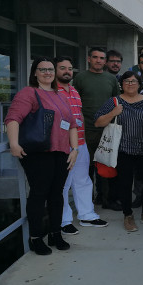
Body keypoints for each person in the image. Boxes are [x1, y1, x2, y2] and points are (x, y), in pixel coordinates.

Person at [6, 57, 79, 254]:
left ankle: (55, 233)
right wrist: (13, 143)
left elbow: (72, 124)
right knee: (39, 195)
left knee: (57, 195)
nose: (47, 73)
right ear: (35, 73)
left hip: (61, 153)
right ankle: (36, 237)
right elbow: (13, 118)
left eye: (50, 69)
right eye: (42, 69)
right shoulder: (29, 93)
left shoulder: (59, 94)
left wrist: (75, 150)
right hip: (39, 153)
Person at [95, 71, 143, 233]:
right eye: (127, 81)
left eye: (134, 81)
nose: (130, 84)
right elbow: (98, 122)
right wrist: (113, 113)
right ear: (121, 84)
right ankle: (128, 215)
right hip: (123, 150)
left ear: (139, 84)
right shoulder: (114, 102)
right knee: (125, 184)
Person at [55, 56, 107, 235]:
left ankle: (87, 215)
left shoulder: (74, 91)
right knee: (63, 184)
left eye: (69, 68)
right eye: (62, 68)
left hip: (80, 143)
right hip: (63, 145)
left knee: (83, 180)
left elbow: (80, 116)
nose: (67, 71)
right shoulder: (52, 91)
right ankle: (64, 220)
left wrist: (82, 136)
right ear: (55, 71)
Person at [72, 47, 120, 208]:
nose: (98, 60)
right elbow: (73, 102)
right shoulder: (80, 78)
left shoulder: (111, 79)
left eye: (101, 58)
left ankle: (105, 199)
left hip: (106, 130)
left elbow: (115, 101)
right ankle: (87, 201)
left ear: (105, 61)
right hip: (85, 130)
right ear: (89, 59)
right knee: (86, 167)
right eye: (95, 57)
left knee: (106, 165)